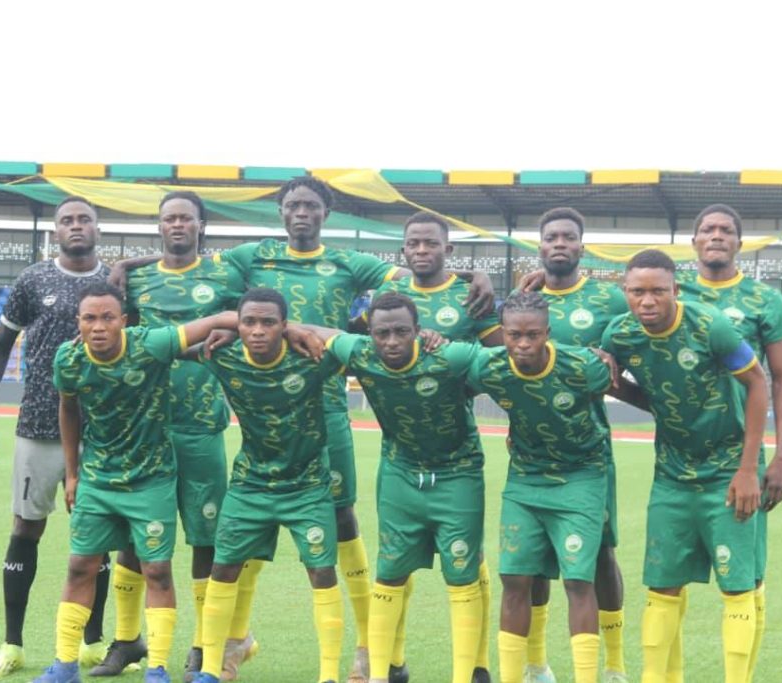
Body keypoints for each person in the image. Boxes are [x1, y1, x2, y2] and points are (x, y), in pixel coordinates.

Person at [115, 176, 496, 683]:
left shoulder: (347, 264)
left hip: (328, 408)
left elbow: (416, 268)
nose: (301, 213)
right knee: (247, 526)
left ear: (325, 213)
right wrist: (122, 263)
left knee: (342, 521)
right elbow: (185, 257)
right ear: (280, 211)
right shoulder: (254, 256)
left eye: (310, 206)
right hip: (266, 405)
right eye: (292, 205)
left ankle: (368, 650)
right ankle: (232, 642)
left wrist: (474, 272)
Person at [37, 282, 244, 683]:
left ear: (124, 321)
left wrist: (264, 328)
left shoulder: (151, 344)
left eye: (107, 318)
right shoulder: (69, 359)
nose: (98, 326)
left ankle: (158, 669)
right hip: (98, 477)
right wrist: (73, 473)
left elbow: (218, 319)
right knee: (80, 566)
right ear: (78, 322)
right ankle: (63, 667)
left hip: (151, 478)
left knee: (157, 571)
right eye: (89, 318)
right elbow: (69, 410)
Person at [94, 191, 245, 680]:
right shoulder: (135, 280)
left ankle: (204, 645)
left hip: (201, 423)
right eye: (168, 218)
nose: (177, 224)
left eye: (185, 218)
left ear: (202, 224)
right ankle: (126, 640)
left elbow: (257, 316)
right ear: (158, 226)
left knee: (206, 537)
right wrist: (127, 262)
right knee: (136, 538)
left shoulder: (226, 275)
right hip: (144, 426)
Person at [600, 249, 768, 683]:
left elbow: (758, 384)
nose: (648, 301)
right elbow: (637, 393)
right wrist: (614, 385)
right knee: (661, 586)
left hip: (729, 469)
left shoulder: (710, 326)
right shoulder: (618, 335)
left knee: (736, 586)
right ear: (626, 293)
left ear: (676, 290)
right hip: (672, 474)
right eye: (638, 292)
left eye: (658, 291)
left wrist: (749, 470)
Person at [310, 291, 488, 683]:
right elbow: (316, 331)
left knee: (461, 574)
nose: (391, 341)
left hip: (458, 474)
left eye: (401, 332)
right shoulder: (359, 352)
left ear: (419, 331)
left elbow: (508, 364)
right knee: (389, 572)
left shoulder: (450, 356)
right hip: (400, 474)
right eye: (382, 333)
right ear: (369, 333)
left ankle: (468, 675)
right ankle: (380, 674)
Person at [0, 196, 112, 678]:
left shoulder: (113, 281)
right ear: (55, 232)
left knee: (100, 538)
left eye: (84, 219)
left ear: (97, 228)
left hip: (103, 432)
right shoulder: (32, 280)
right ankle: (12, 644)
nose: (76, 226)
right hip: (38, 427)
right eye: (67, 220)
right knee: (26, 528)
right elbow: (1, 345)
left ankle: (93, 644)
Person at [360, 211, 502, 683]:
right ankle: (390, 663)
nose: (422, 251)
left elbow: (496, 361)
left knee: (468, 561)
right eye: (413, 244)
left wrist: (451, 380)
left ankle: (475, 666)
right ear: (404, 251)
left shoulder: (470, 295)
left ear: (448, 249)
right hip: (399, 456)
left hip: (456, 451)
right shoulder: (386, 297)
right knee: (396, 563)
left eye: (431, 243)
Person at [469, 291, 630, 683]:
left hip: (582, 475)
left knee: (579, 579)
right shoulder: (486, 367)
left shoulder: (584, 367)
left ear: (548, 333)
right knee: (516, 579)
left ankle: (594, 675)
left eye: (532, 335)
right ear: (502, 333)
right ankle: (518, 674)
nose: (522, 344)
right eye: (513, 335)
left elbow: (603, 391)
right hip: (525, 478)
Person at [188, 288, 348, 683]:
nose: (258, 331)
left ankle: (328, 675)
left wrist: (296, 330)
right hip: (251, 484)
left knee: (322, 573)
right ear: (238, 324)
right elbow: (169, 342)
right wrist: (225, 327)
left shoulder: (310, 357)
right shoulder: (221, 355)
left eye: (269, 323)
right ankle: (210, 669)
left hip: (307, 484)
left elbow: (351, 344)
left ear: (284, 325)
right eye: (249, 322)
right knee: (223, 569)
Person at [676, 204, 782, 683]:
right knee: (667, 581)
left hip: (739, 456)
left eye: (727, 230)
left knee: (747, 577)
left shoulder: (764, 299)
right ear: (694, 242)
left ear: (740, 244)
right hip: (677, 459)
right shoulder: (672, 293)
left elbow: (781, 379)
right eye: (708, 229)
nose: (717, 235)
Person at [515, 207, 630, 683]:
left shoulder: (609, 299)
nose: (559, 243)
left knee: (600, 554)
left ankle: (614, 666)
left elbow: (636, 349)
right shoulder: (522, 299)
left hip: (589, 453)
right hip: (530, 451)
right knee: (533, 560)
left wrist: (615, 371)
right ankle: (537, 665)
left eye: (568, 237)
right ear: (539, 247)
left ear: (582, 247)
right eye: (550, 237)